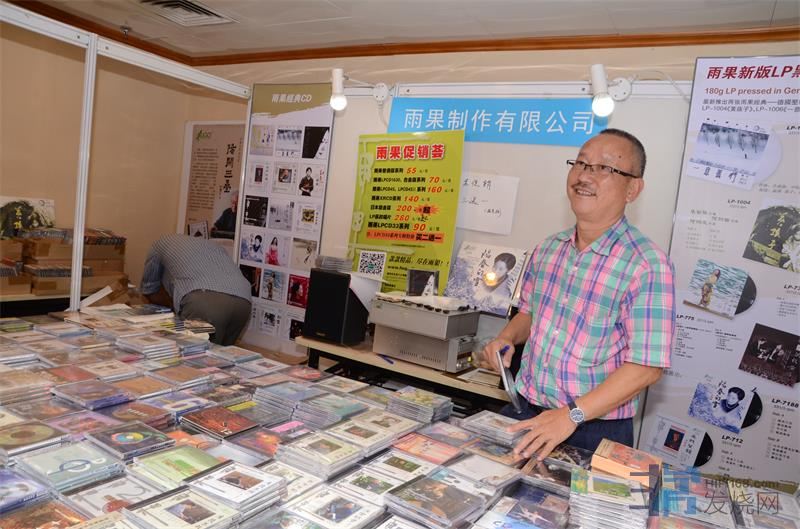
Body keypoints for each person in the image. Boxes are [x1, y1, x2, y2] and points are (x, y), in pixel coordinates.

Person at [483, 128, 675, 460]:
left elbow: (647, 367)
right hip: (526, 409)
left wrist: (571, 414)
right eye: (581, 163)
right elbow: (529, 312)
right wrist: (506, 338)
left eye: (605, 168)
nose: (585, 175)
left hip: (592, 428)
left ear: (632, 189)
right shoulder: (549, 248)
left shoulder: (647, 265)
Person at [141, 234, 252, 346]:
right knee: (220, 354)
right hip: (243, 302)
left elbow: (150, 289)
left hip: (205, 303)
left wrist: (169, 311)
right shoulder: (211, 246)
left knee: (192, 352)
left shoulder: (158, 246)